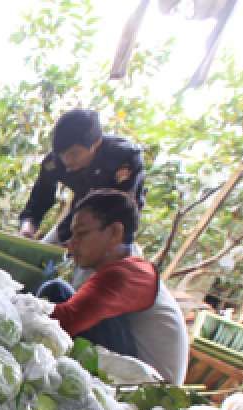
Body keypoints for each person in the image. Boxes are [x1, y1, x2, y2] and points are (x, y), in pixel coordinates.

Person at [37, 189, 189, 383]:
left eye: (81, 234)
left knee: (54, 298)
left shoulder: (126, 274)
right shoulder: (127, 269)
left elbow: (68, 319)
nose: (72, 244)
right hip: (131, 364)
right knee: (58, 290)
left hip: (147, 386)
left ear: (116, 232)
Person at [19, 109, 146, 246]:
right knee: (44, 251)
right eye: (62, 155)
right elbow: (40, 197)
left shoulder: (123, 158)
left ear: (96, 144)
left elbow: (121, 209)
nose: (67, 161)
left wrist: (80, 242)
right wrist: (28, 225)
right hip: (77, 217)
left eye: (74, 154)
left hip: (114, 228)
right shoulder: (54, 162)